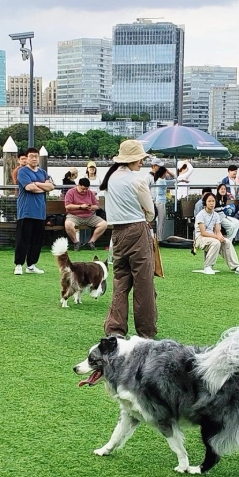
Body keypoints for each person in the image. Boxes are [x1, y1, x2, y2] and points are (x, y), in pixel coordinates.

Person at [101, 140, 157, 339]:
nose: (142, 162)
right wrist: (148, 219)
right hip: (137, 230)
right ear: (133, 159)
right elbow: (150, 211)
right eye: (140, 158)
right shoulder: (137, 180)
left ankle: (115, 330)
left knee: (121, 281)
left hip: (117, 233)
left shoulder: (111, 178)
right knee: (144, 284)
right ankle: (145, 332)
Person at [14, 148, 53, 275]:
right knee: (23, 239)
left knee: (37, 240)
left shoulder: (43, 172)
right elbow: (29, 187)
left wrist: (37, 184)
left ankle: (31, 265)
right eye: (31, 156)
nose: (34, 159)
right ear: (27, 158)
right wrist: (43, 186)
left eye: (36, 156)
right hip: (26, 211)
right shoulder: (22, 171)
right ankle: (19, 264)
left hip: (40, 212)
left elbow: (51, 186)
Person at [194, 192, 239, 276]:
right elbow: (203, 233)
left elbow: (218, 231)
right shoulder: (200, 215)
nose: (212, 203)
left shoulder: (216, 215)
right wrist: (216, 237)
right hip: (200, 238)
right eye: (209, 201)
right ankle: (208, 266)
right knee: (216, 242)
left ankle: (236, 266)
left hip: (212, 237)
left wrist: (221, 237)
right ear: (205, 203)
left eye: (213, 201)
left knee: (227, 242)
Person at [64, 178, 108, 251]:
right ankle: (76, 242)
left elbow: (96, 206)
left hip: (90, 216)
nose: (84, 191)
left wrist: (92, 207)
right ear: (78, 185)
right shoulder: (70, 192)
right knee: (68, 224)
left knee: (104, 224)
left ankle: (91, 242)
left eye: (86, 189)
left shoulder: (90, 193)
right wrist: (81, 206)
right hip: (74, 216)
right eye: (82, 189)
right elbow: (67, 206)